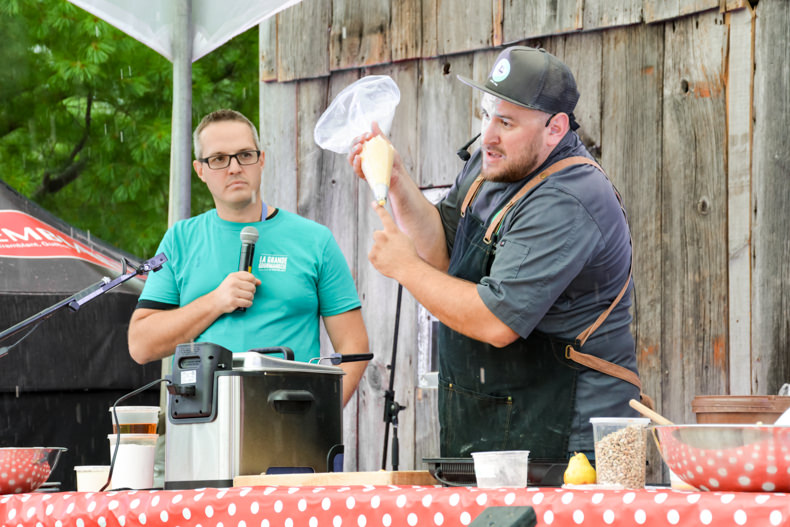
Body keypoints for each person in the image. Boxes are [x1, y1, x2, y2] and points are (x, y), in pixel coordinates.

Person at [347, 46, 644, 459]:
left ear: (555, 129)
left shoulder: (569, 198)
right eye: (487, 114)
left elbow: (495, 320)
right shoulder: (494, 160)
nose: (489, 134)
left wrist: (405, 268)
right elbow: (443, 251)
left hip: (575, 437)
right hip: (504, 422)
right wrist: (397, 179)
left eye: (506, 121)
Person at [129, 109, 369, 406]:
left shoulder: (314, 241)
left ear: (262, 160)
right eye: (218, 159)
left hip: (292, 425)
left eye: (244, 155)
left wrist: (318, 419)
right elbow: (141, 344)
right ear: (199, 170)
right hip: (207, 426)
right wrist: (215, 301)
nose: (234, 168)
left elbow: (354, 347)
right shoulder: (181, 240)